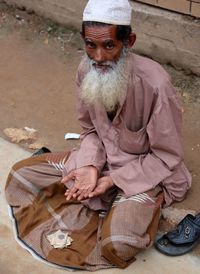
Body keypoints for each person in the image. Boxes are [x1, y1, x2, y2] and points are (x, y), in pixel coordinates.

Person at [5, 0, 192, 271]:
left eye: (109, 46)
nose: (98, 57)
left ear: (129, 41)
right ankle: (108, 200)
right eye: (90, 45)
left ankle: (131, 204)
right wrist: (91, 167)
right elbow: (90, 130)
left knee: (118, 244)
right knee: (21, 176)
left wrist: (112, 180)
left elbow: (167, 157)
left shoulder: (156, 84)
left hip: (145, 176)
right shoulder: (85, 70)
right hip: (102, 161)